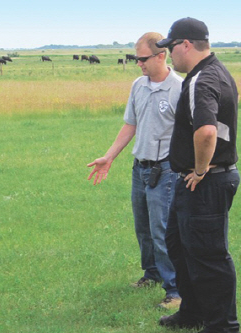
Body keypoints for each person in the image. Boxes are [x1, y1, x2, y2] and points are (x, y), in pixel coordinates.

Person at [155, 17, 241, 333]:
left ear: (186, 45)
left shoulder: (201, 80)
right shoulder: (216, 71)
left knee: (208, 255)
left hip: (206, 182)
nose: (170, 54)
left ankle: (222, 331)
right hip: (199, 180)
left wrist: (201, 170)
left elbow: (207, 131)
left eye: (171, 47)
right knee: (180, 247)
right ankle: (192, 312)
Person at [87, 32, 183, 309]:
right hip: (139, 169)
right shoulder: (138, 86)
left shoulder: (180, 88)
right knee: (143, 229)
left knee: (162, 231)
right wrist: (109, 157)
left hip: (165, 170)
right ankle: (151, 274)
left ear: (161, 55)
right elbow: (131, 124)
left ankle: (175, 291)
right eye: (135, 58)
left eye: (142, 59)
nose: (138, 64)